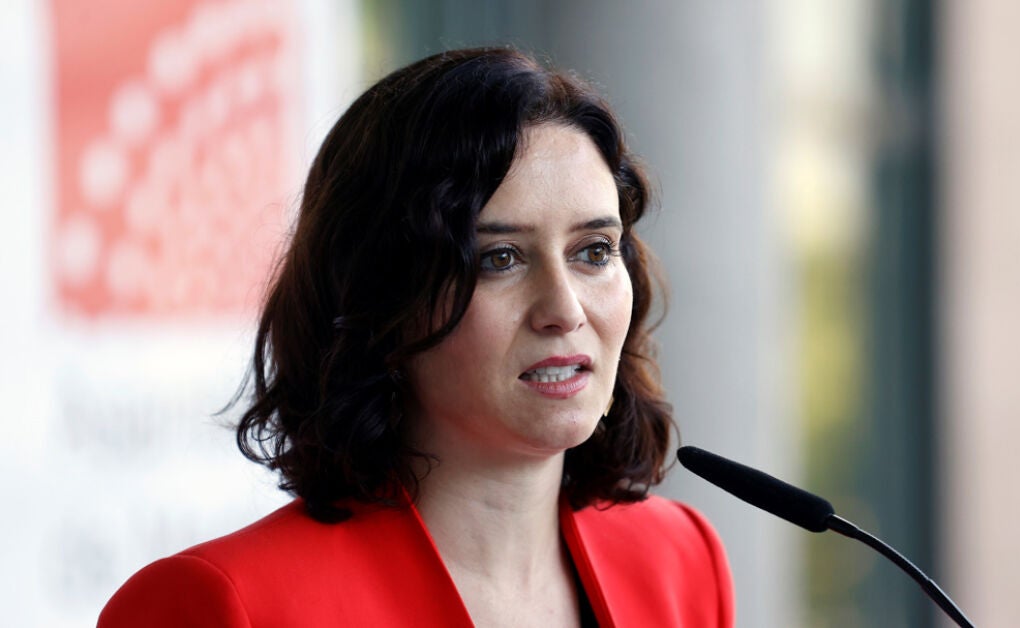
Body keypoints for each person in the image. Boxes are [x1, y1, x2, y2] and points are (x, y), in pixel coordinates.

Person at [99, 46, 733, 627]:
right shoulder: (222, 604)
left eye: (594, 251)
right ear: (380, 298)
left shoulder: (681, 560)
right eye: (499, 259)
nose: (564, 311)